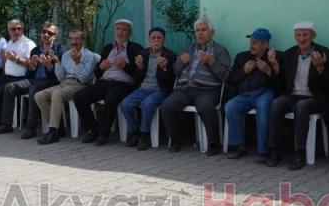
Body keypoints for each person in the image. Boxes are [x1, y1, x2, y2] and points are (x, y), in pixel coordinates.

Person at [266, 22, 329, 170]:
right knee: (277, 103)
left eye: (305, 34)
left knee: (301, 106)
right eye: (298, 35)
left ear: (313, 36)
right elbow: (280, 86)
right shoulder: (289, 54)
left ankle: (300, 153)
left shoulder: (326, 54)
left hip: (315, 97)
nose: (301, 38)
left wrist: (320, 69)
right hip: (293, 94)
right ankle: (274, 151)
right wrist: (275, 67)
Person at [161, 17, 231, 155]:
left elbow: (225, 76)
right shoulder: (189, 49)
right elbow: (176, 71)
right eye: (197, 30)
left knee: (205, 106)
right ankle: (175, 140)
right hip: (185, 89)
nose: (200, 33)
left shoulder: (220, 51)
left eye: (204, 30)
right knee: (167, 105)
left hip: (207, 90)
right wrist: (181, 62)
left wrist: (211, 62)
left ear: (212, 32)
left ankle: (213, 143)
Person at [74, 19, 143, 145]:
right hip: (104, 82)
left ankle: (104, 133)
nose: (120, 32)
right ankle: (93, 129)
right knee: (79, 96)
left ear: (129, 33)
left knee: (111, 98)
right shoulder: (107, 48)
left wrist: (125, 67)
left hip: (124, 84)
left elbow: (139, 74)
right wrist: (101, 67)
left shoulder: (136, 48)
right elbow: (97, 73)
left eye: (124, 29)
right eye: (118, 28)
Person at [0, 22, 64, 138]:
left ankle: (31, 127)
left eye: (49, 33)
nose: (45, 34)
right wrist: (32, 66)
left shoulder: (59, 49)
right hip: (35, 79)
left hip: (51, 81)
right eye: (44, 32)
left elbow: (60, 73)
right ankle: (6, 124)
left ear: (54, 36)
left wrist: (49, 66)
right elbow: (30, 71)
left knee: (33, 89)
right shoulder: (36, 50)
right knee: (9, 87)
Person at [224, 28, 282, 162]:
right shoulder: (242, 57)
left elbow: (282, 84)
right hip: (245, 95)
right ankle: (238, 146)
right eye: (251, 41)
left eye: (255, 42)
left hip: (265, 93)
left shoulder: (276, 57)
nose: (251, 45)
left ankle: (263, 151)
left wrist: (268, 70)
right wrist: (243, 71)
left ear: (265, 45)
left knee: (263, 106)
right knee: (231, 106)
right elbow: (231, 79)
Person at [119, 27, 177, 150]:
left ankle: (144, 135)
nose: (156, 40)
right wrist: (139, 67)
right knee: (125, 104)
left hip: (160, 90)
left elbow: (172, 82)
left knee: (148, 103)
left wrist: (165, 68)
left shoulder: (170, 55)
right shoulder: (143, 54)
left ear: (163, 40)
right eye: (153, 38)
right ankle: (134, 131)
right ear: (149, 40)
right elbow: (136, 78)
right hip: (143, 88)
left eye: (159, 38)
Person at [34, 29, 97, 144]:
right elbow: (61, 78)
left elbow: (84, 78)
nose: (74, 42)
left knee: (57, 94)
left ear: (83, 40)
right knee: (39, 95)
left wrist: (77, 62)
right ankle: (59, 128)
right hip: (64, 83)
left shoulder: (89, 56)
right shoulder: (66, 55)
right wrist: (57, 62)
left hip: (80, 85)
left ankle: (52, 131)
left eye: (77, 39)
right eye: (71, 39)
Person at [0, 19, 37, 130]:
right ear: (8, 30)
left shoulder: (28, 44)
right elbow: (7, 61)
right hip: (7, 76)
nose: (16, 31)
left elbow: (32, 65)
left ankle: (6, 123)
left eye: (19, 29)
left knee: (3, 89)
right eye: (13, 29)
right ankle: (0, 113)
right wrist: (4, 59)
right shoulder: (9, 42)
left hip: (21, 77)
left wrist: (16, 59)